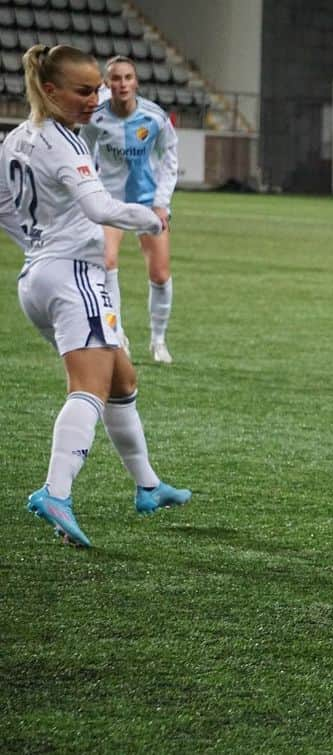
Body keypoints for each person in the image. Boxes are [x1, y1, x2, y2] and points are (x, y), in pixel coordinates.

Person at [0, 44, 190, 549]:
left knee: (122, 378)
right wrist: (152, 218)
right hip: (73, 276)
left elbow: (3, 206)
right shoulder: (64, 142)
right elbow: (100, 207)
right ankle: (55, 492)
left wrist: (38, 245)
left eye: (98, 89)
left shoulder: (17, 137)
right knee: (89, 387)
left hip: (37, 277)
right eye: (84, 91)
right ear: (50, 90)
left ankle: (148, 486)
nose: (94, 99)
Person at [80, 55, 179, 364]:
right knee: (107, 262)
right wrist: (90, 191)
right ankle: (117, 333)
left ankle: (158, 341)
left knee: (160, 274)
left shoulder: (154, 117)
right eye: (115, 78)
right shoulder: (96, 117)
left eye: (127, 78)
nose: (122, 84)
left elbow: (170, 158)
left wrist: (162, 203)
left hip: (148, 201)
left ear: (135, 82)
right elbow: (82, 152)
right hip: (109, 201)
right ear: (107, 84)